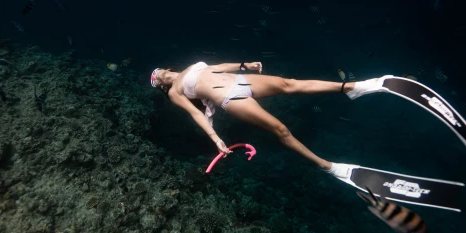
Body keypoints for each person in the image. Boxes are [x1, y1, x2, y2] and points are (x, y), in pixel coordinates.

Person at [149, 61, 372, 176]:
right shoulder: (173, 92)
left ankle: (352, 87)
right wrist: (215, 138)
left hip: (241, 80)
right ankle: (326, 166)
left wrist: (244, 64)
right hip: (229, 97)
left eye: (155, 73)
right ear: (161, 84)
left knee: (291, 84)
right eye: (155, 80)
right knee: (281, 129)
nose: (156, 75)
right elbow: (196, 113)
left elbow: (217, 67)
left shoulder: (191, 65)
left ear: (166, 69)